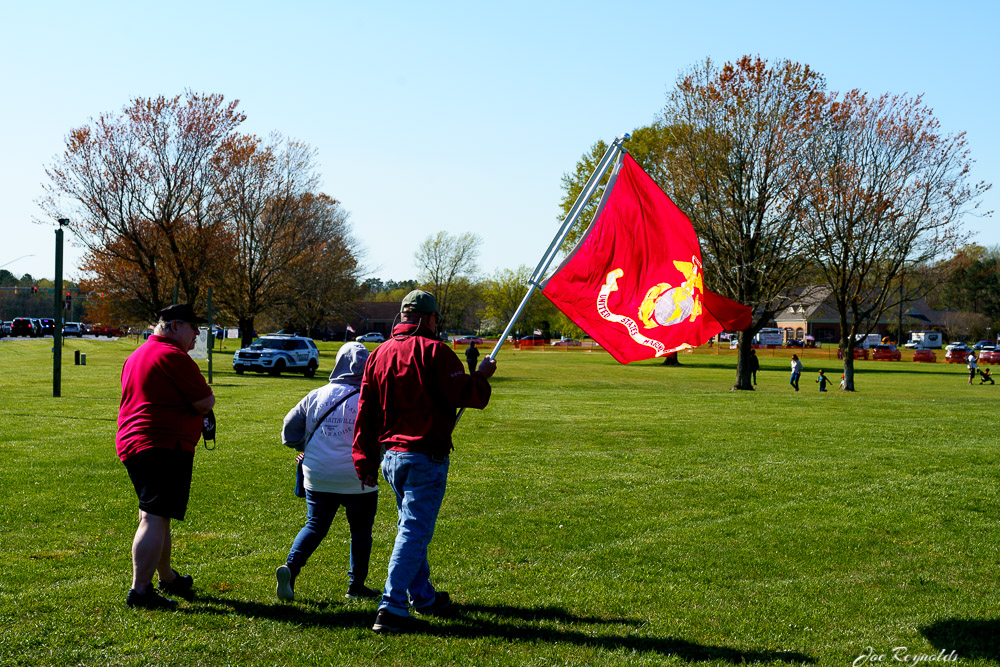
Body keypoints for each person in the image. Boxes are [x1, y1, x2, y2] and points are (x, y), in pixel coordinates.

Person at [353, 290, 496, 634]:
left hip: (391, 458)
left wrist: (364, 460)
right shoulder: (436, 352)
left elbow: (365, 412)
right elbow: (466, 395)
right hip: (424, 457)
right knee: (414, 532)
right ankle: (391, 606)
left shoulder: (379, 354)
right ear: (429, 319)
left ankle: (423, 596)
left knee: (409, 527)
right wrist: (482, 376)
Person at [117, 303, 215, 609]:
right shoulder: (173, 356)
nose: (197, 333)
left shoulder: (138, 354)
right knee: (154, 517)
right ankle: (141, 590)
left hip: (135, 443)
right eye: (192, 326)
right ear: (173, 326)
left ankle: (167, 577)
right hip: (163, 445)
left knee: (155, 516)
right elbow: (204, 401)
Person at [276, 342, 380, 603]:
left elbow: (289, 432)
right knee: (360, 531)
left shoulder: (316, 394)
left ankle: (291, 568)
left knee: (315, 525)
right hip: (358, 476)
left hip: (318, 473)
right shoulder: (372, 397)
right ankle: (356, 586)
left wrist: (306, 448)